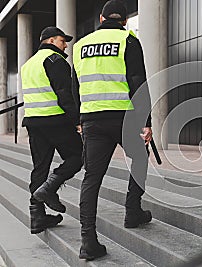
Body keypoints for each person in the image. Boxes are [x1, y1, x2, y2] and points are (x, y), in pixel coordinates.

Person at [72, 0, 153, 260]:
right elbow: (138, 83)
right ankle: (132, 210)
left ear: (101, 18)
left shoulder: (80, 45)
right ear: (125, 20)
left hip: (92, 119)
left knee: (92, 178)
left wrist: (79, 120)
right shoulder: (129, 41)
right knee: (140, 158)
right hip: (123, 117)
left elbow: (75, 87)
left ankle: (88, 241)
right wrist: (146, 121)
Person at [21, 26, 83, 234]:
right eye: (62, 40)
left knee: (40, 167)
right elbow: (65, 94)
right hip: (55, 120)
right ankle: (50, 189)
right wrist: (77, 121)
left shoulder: (28, 64)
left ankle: (37, 216)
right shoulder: (55, 61)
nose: (65, 45)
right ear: (50, 40)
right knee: (78, 156)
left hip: (33, 122)